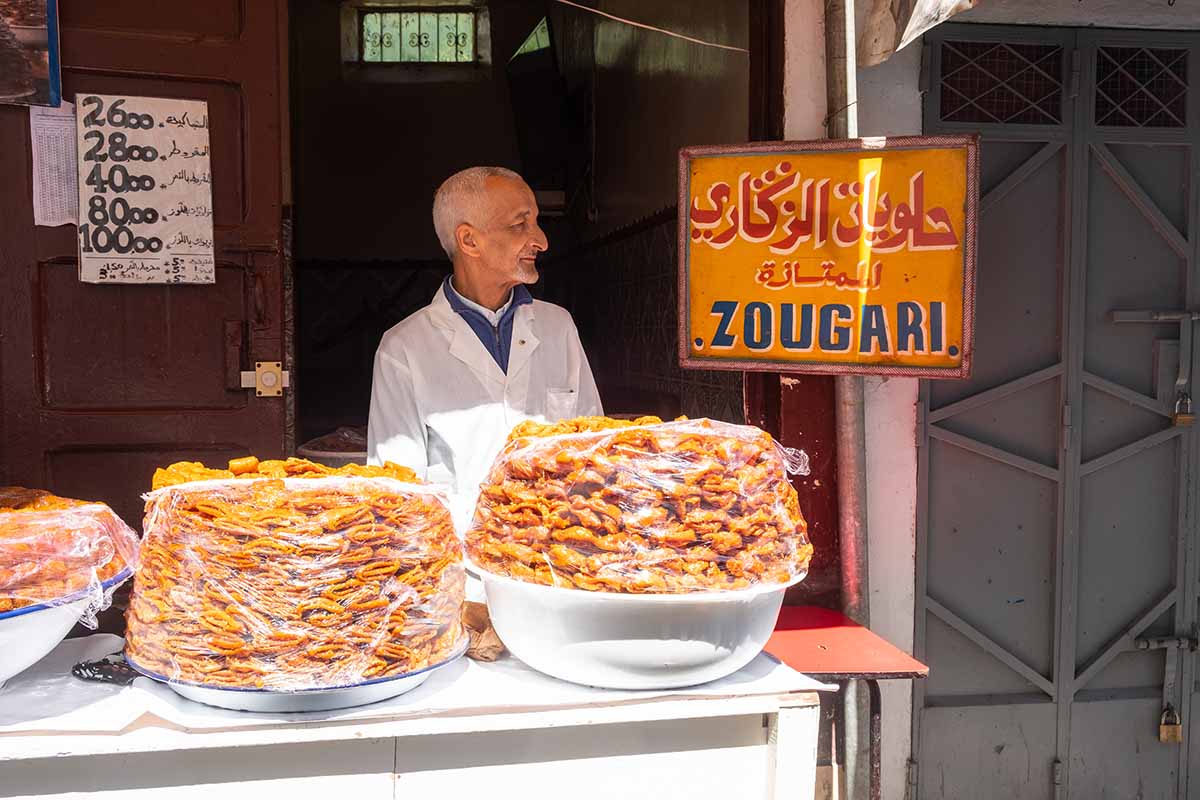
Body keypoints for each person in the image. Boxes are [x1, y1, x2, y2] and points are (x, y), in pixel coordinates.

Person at [367, 166, 602, 531]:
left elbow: (595, 449)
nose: (541, 240)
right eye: (519, 225)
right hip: (461, 564)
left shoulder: (558, 327)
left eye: (536, 222)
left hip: (556, 555)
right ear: (469, 241)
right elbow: (396, 493)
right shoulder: (404, 349)